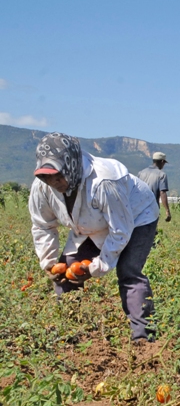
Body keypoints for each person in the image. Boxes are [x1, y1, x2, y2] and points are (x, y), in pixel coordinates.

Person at [29, 132, 160, 344]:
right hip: (92, 224)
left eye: (58, 174)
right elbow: (43, 225)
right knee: (65, 273)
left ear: (71, 165)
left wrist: (97, 267)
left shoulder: (104, 181)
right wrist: (49, 262)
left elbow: (120, 230)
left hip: (136, 217)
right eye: (46, 176)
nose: (53, 181)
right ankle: (69, 334)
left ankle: (144, 338)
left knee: (128, 271)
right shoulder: (42, 188)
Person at [137, 151, 172, 222]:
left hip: (139, 208)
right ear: (162, 161)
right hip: (152, 209)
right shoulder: (161, 175)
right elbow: (162, 193)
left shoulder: (141, 173)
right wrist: (167, 211)